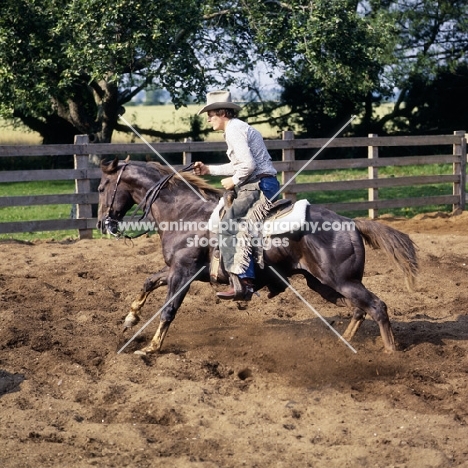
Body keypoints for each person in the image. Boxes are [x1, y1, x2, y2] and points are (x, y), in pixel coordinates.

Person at [194, 90, 280, 301]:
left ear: (222, 112)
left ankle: (244, 281)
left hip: (258, 186)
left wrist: (234, 181)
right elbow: (240, 163)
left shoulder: (234, 130)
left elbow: (248, 166)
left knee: (228, 225)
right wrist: (209, 170)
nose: (208, 119)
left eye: (211, 114)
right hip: (262, 183)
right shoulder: (237, 128)